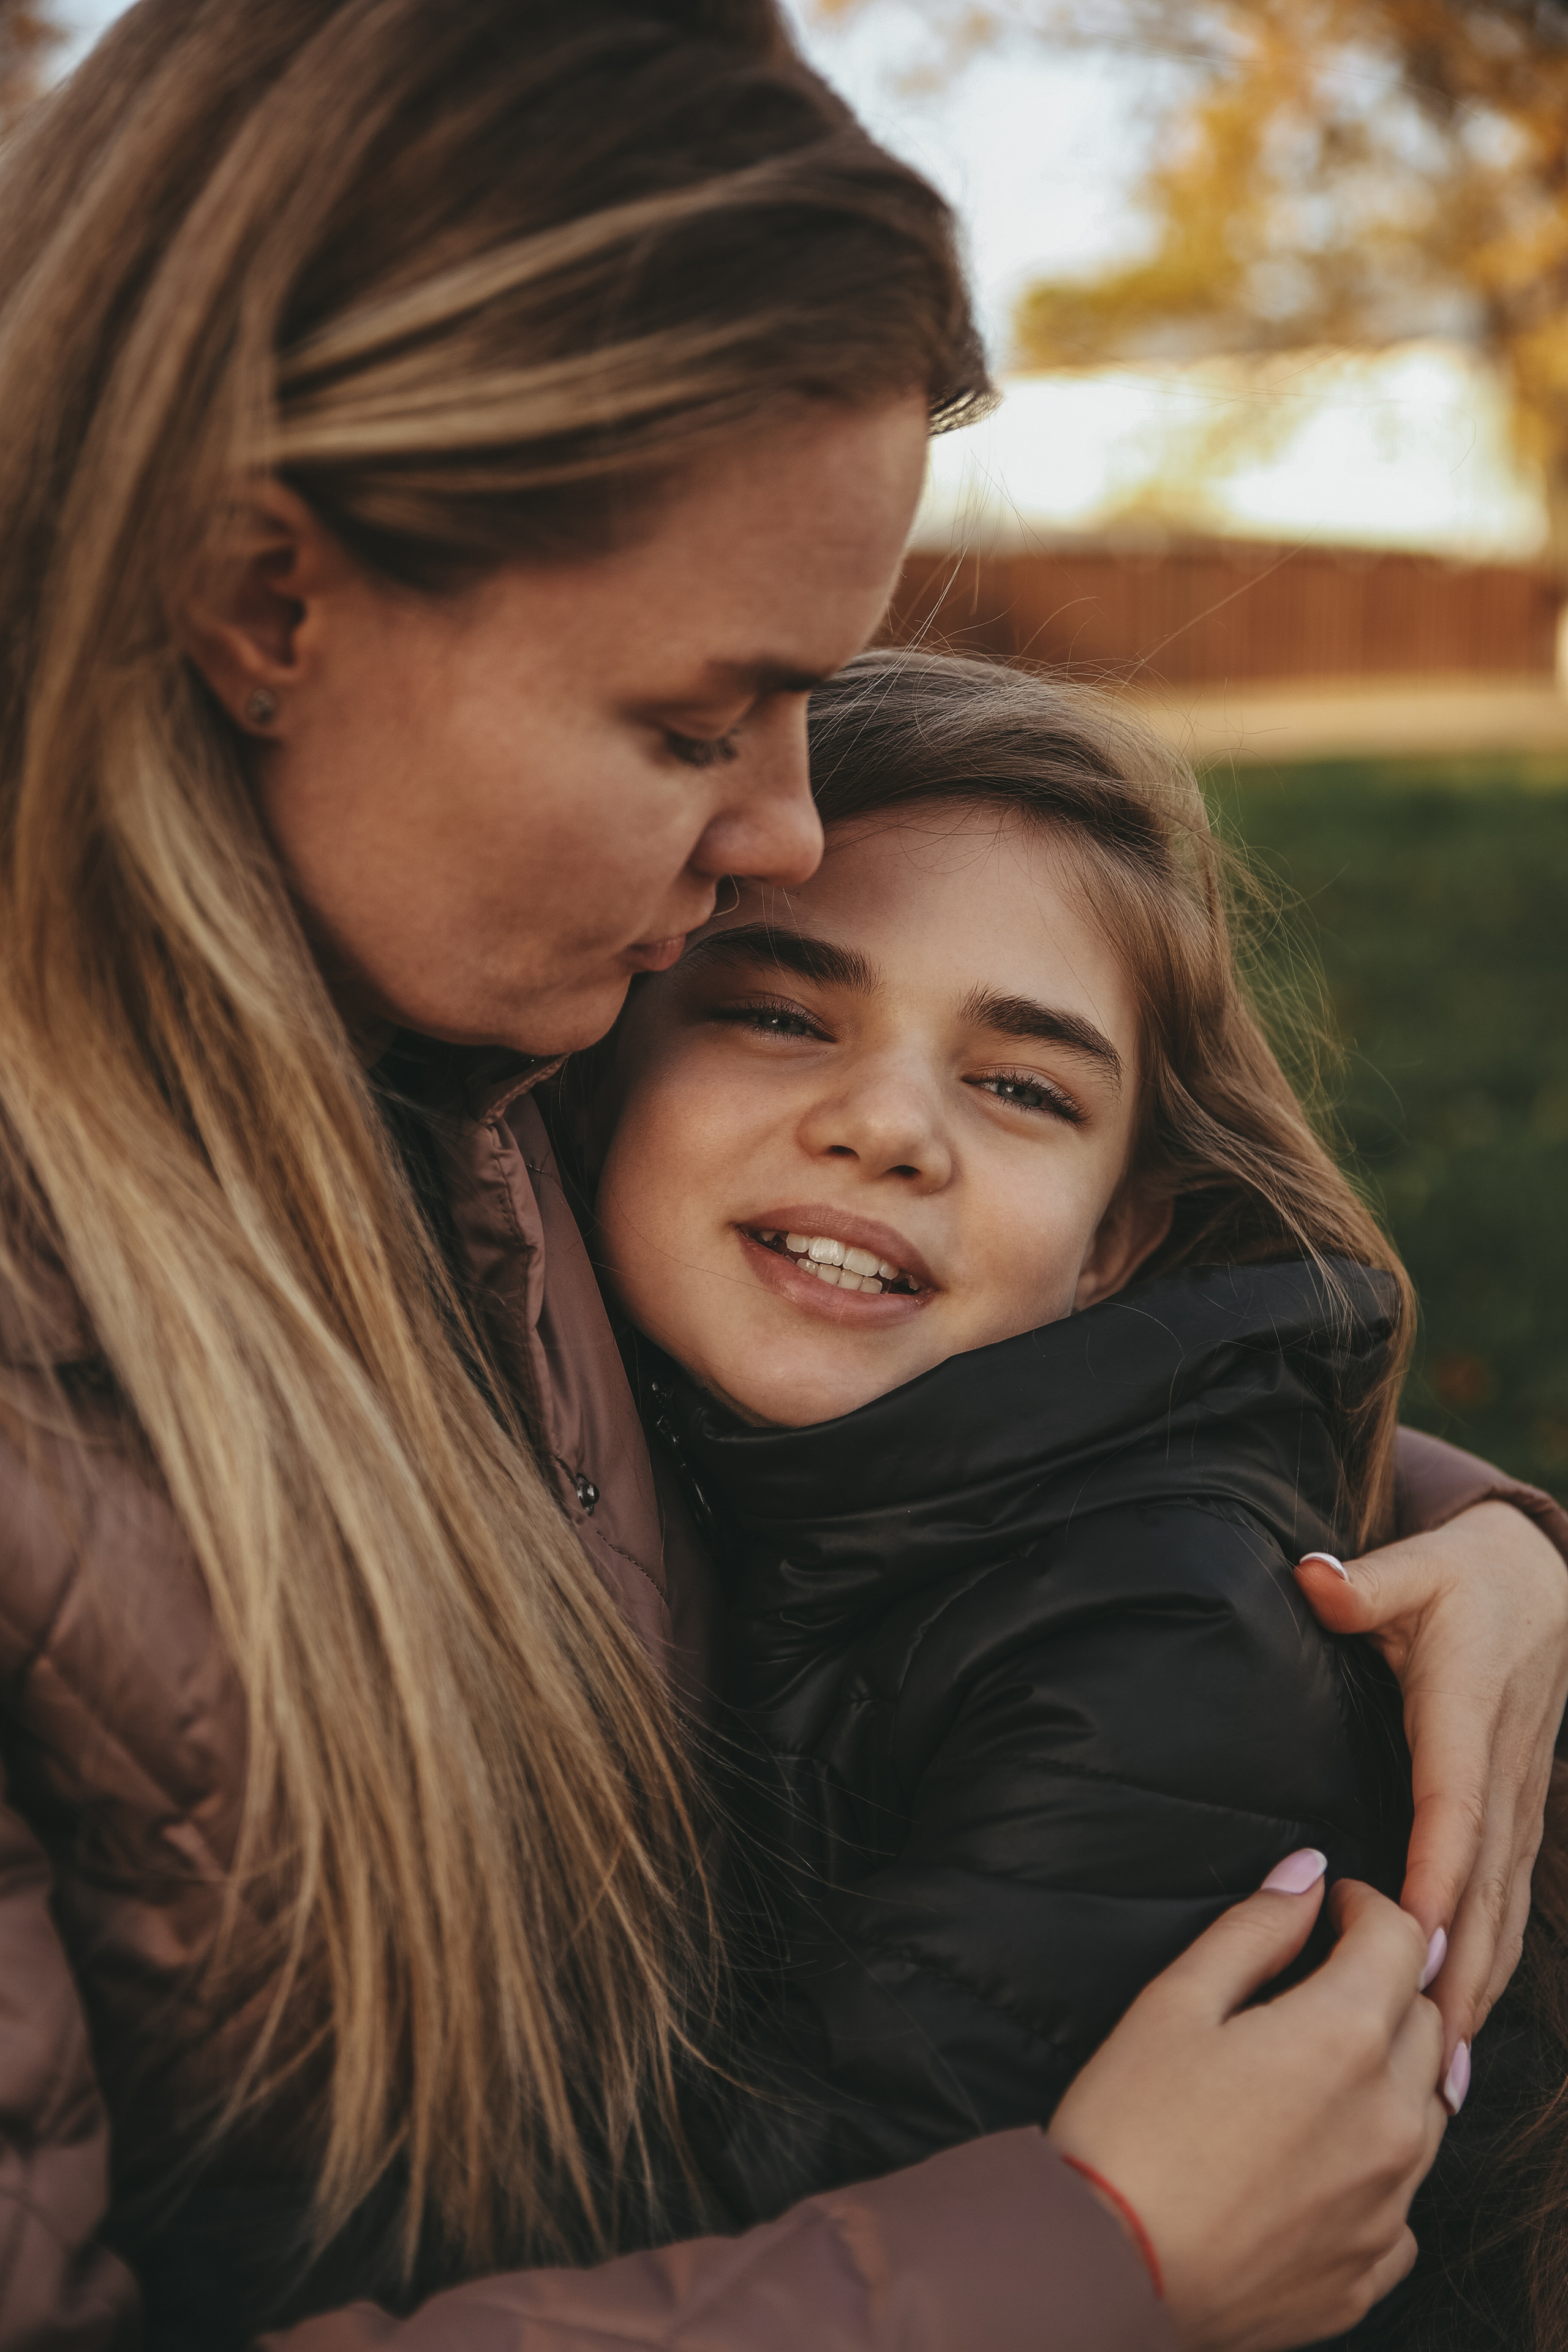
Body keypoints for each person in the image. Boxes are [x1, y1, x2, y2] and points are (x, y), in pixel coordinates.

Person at [0, 3, 1564, 2349]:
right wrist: (1089, 2264)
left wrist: (1447, 1546)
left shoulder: (479, 1056)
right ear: (260, 597)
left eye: (817, 706)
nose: (785, 835)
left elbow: (960, 1416)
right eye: (689, 721)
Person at [584, 646, 1556, 2342]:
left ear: (1119, 1241)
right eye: (781, 1012)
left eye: (1022, 1087)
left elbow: (799, 2231)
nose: (888, 1126)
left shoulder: (1148, 1642)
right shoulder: (736, 1464)